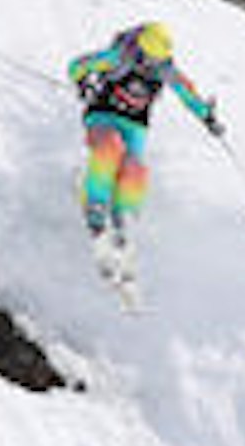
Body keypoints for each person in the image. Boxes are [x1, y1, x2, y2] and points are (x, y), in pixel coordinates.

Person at [67, 21, 223, 276]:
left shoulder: (165, 69)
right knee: (109, 149)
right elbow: (77, 66)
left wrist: (207, 116)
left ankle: (123, 216)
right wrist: (83, 82)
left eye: (155, 61)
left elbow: (187, 93)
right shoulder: (119, 57)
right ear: (138, 49)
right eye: (146, 59)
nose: (149, 65)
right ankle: (96, 204)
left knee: (134, 167)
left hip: (135, 125)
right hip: (103, 114)